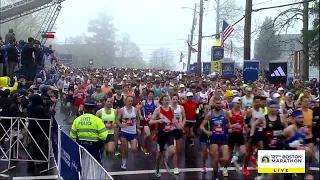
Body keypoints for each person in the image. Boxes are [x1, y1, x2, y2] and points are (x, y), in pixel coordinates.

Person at [150, 95, 179, 177]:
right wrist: (158, 120)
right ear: (161, 101)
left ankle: (166, 161)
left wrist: (175, 122)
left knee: (173, 151)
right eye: (165, 100)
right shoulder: (158, 110)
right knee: (159, 154)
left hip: (170, 133)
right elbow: (150, 121)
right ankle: (157, 168)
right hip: (161, 134)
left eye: (168, 100)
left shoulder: (171, 109)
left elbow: (173, 119)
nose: (167, 101)